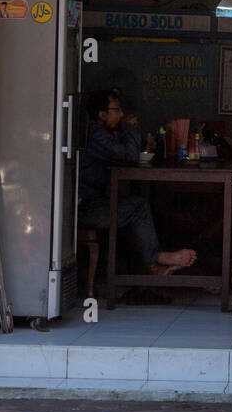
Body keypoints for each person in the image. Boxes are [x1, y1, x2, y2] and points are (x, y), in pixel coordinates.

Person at [77, 89, 196, 275]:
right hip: (81, 210)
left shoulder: (98, 133)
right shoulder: (95, 135)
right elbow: (130, 157)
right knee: (138, 207)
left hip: (90, 204)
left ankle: (151, 263)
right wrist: (128, 128)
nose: (122, 114)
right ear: (102, 114)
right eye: (116, 110)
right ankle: (155, 262)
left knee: (135, 205)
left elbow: (125, 155)